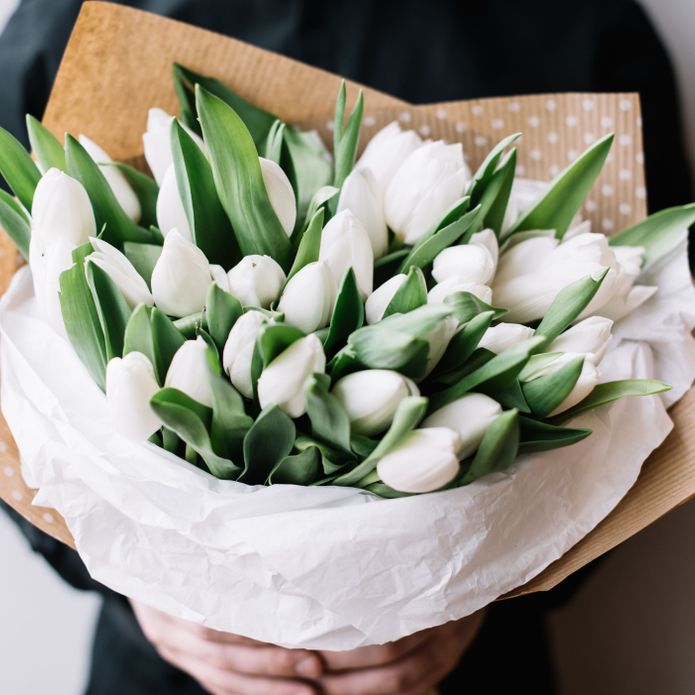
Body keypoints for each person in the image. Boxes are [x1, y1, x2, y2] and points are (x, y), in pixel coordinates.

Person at [1, 1, 692, 693]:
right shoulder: (74, 19)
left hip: (462, 663)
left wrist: (488, 585)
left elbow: (661, 341)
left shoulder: (579, 21)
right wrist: (141, 590)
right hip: (169, 667)